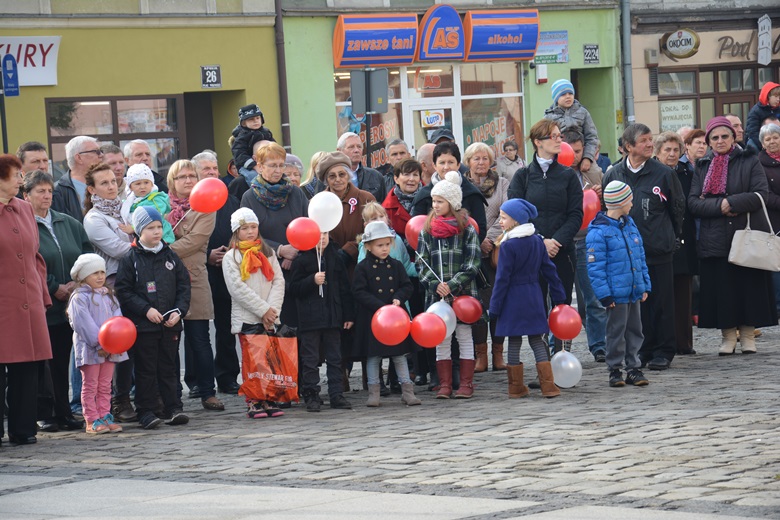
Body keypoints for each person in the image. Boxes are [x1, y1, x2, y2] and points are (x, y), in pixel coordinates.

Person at [688, 116, 777, 355]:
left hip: (745, 235)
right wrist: (720, 207)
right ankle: (728, 337)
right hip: (715, 239)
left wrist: (731, 202)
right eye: (714, 138)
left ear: (733, 137)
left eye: (724, 136)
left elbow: (761, 195)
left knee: (748, 288)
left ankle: (748, 336)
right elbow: (694, 203)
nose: (720, 141)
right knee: (723, 291)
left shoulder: (749, 159)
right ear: (708, 141)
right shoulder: (702, 165)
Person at [603, 123, 684, 371]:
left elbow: (677, 209)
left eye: (651, 140)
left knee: (662, 302)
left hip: (658, 249)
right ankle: (643, 350)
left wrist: (670, 237)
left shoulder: (664, 173)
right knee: (638, 305)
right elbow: (605, 210)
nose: (650, 145)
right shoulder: (613, 173)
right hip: (626, 253)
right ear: (629, 147)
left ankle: (664, 350)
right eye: (645, 141)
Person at [24, 169, 92, 433]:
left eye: (49, 191)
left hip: (70, 305)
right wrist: (54, 286)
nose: (47, 196)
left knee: (63, 360)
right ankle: (45, 413)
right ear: (26, 195)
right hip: (44, 304)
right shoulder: (26, 224)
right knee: (44, 364)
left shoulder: (68, 222)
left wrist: (78, 280)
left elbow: (86, 253)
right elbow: (29, 263)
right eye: (40, 191)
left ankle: (64, 411)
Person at [508, 119, 583, 354]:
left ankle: (563, 358)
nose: (560, 140)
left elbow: (576, 214)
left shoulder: (568, 176)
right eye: (554, 136)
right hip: (532, 253)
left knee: (561, 305)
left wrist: (556, 241)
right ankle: (544, 365)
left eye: (560, 135)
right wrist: (541, 241)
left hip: (563, 251)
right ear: (538, 142)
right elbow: (515, 214)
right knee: (537, 306)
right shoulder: (522, 176)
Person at [115, 206, 191, 428]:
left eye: (159, 227)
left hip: (170, 325)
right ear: (139, 231)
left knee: (169, 367)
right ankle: (146, 410)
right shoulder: (131, 259)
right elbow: (124, 290)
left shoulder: (171, 256)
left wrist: (179, 311)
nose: (157, 232)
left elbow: (184, 286)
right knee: (146, 369)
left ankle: (173, 407)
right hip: (144, 326)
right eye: (150, 228)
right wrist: (145, 310)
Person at [0, 154, 52, 446]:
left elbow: (36, 257)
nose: (22, 180)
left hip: (27, 300)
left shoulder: (23, 208)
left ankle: (23, 428)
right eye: (16, 175)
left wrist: (41, 295)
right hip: (2, 302)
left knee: (27, 367)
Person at [490, 199, 565, 398]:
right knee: (537, 340)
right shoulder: (537, 241)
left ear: (516, 220)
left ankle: (515, 388)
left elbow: (502, 279)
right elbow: (550, 271)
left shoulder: (508, 246)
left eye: (504, 218)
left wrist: (494, 307)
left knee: (514, 341)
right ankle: (548, 386)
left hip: (512, 299)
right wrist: (560, 298)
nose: (500, 222)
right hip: (533, 296)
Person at [416, 171, 481, 399]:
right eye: (434, 201)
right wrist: (435, 284)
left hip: (462, 295)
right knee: (442, 339)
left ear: (452, 203)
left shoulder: (467, 229)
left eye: (440, 201)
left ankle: (466, 383)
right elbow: (421, 263)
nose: (435, 204)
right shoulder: (427, 230)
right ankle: (444, 384)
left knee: (464, 336)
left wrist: (452, 284)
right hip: (438, 298)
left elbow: (472, 262)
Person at [166, 160, 223, 411]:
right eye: (182, 177)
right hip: (166, 279)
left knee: (200, 339)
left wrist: (160, 250)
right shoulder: (160, 204)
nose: (188, 181)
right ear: (172, 181)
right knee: (168, 341)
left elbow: (196, 240)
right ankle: (172, 394)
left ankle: (208, 392)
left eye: (192, 175)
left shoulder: (205, 207)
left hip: (194, 277)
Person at [81, 163, 136, 421]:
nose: (112, 186)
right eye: (104, 183)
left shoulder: (127, 208)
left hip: (139, 280)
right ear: (92, 189)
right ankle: (119, 400)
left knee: (141, 341)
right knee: (119, 343)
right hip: (113, 285)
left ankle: (146, 396)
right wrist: (148, 242)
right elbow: (119, 250)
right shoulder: (94, 218)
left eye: (114, 181)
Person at [221, 208, 286, 418]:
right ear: (236, 231)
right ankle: (254, 400)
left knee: (270, 359)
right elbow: (238, 288)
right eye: (244, 228)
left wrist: (272, 311)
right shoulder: (232, 257)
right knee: (253, 360)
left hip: (270, 317)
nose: (250, 232)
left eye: (253, 227)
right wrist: (263, 309)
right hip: (249, 317)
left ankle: (270, 397)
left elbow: (278, 281)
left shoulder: (268, 253)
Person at [586, 181, 651, 388]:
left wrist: (644, 284)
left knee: (635, 330)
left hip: (633, 289)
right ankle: (614, 369)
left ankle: (633, 367)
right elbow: (595, 268)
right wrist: (604, 294)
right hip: (616, 294)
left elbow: (640, 257)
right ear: (620, 202)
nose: (632, 203)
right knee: (616, 331)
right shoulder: (599, 232)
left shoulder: (630, 225)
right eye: (630, 200)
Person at [240, 142, 308, 326]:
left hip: (299, 268)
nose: (278, 170)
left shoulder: (295, 193)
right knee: (280, 325)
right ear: (260, 167)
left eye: (281, 165)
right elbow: (248, 236)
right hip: (267, 270)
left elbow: (308, 225)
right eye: (272, 165)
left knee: (302, 327)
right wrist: (280, 250)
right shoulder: (249, 197)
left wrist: (294, 251)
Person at [353, 221, 420, 407]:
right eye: (379, 245)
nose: (384, 249)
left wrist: (398, 297)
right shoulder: (363, 267)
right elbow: (358, 291)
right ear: (368, 246)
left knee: (399, 355)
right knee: (373, 356)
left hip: (396, 317)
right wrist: (378, 305)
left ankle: (407, 390)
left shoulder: (396, 265)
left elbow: (407, 285)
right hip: (373, 317)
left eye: (387, 244)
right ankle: (374, 392)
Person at [193, 151, 242, 395]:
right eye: (206, 169)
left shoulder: (230, 200)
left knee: (226, 327)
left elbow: (241, 231)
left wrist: (233, 250)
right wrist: (207, 255)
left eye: (214, 168)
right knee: (197, 329)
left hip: (227, 271)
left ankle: (227, 376)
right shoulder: (190, 203)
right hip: (198, 272)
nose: (212, 173)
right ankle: (197, 381)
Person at [289, 231, 355, 412]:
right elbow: (293, 288)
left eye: (325, 234)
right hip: (310, 318)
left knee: (335, 358)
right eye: (318, 235)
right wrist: (312, 280)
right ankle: (311, 394)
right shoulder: (301, 260)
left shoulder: (335, 257)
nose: (322, 238)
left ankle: (336, 394)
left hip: (333, 317)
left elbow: (344, 288)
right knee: (310, 358)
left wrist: (348, 315)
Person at [67, 253, 128, 434]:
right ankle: (91, 419)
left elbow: (118, 319)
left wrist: (115, 342)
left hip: (110, 349)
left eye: (102, 272)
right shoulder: (79, 297)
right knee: (90, 384)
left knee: (105, 384)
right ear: (83, 276)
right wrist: (100, 343)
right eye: (95, 273)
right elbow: (83, 324)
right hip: (91, 349)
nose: (101, 276)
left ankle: (105, 415)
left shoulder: (109, 295)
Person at [463, 142, 509, 372]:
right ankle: (480, 354)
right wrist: (478, 241)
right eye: (476, 159)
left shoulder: (502, 184)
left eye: (484, 158)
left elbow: (508, 214)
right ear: (468, 162)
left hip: (497, 252)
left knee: (498, 303)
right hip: (472, 252)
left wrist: (489, 239)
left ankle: (498, 353)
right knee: (478, 305)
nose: (481, 163)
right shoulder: (461, 186)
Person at [564, 130, 607, 362]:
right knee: (560, 299)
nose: (574, 156)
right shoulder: (555, 174)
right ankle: (560, 346)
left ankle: (599, 346)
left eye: (578, 151)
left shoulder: (594, 172)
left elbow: (608, 208)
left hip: (588, 241)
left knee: (594, 298)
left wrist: (602, 195)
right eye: (570, 151)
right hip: (563, 242)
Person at [654, 132, 697, 356]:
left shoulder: (688, 172)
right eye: (667, 150)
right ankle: (662, 342)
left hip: (684, 240)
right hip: (659, 242)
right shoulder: (652, 174)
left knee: (682, 296)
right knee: (660, 296)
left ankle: (683, 342)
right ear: (657, 152)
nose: (671, 154)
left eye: (675, 150)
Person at [411, 141, 488, 243]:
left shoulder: (471, 193)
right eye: (442, 163)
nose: (446, 167)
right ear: (434, 165)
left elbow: (480, 229)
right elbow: (417, 228)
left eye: (451, 162)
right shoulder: (424, 195)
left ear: (458, 165)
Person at [544, 79, 599, 173]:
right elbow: (545, 141)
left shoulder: (583, 112)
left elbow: (592, 137)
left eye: (570, 93)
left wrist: (588, 158)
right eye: (563, 94)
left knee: (595, 173)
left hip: (581, 158)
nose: (568, 97)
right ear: (556, 97)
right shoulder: (549, 117)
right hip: (559, 158)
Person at [120, 163, 175, 244]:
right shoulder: (130, 201)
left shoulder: (157, 199)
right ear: (130, 187)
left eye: (146, 182)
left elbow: (152, 216)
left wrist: (133, 228)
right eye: (138, 184)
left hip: (162, 237)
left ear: (152, 184)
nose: (142, 187)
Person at [53, 136, 104, 222]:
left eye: (101, 151)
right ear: (79, 158)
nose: (101, 155)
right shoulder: (58, 191)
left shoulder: (106, 183)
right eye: (97, 152)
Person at [759, 123, 780, 315]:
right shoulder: (759, 164)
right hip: (773, 221)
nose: (772, 142)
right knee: (776, 265)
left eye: (776, 137)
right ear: (763, 144)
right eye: (768, 139)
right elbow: (764, 194)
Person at [231, 104, 276, 184]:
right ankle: (258, 192)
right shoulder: (242, 136)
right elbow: (239, 154)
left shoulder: (266, 133)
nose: (255, 121)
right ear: (244, 123)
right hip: (247, 166)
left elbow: (274, 146)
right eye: (251, 119)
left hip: (266, 163)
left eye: (258, 118)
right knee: (254, 176)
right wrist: (254, 166)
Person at [337, 132, 387, 202]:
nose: (356, 150)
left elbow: (383, 208)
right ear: (339, 151)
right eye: (351, 147)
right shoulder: (330, 177)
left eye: (359, 147)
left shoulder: (375, 176)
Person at [382, 158, 422, 239]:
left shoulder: (431, 198)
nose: (411, 179)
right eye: (406, 174)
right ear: (396, 179)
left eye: (415, 175)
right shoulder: (387, 208)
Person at [745, 82, 780, 151]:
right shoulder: (755, 111)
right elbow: (752, 131)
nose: (778, 99)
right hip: (760, 141)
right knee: (751, 144)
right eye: (776, 96)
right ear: (767, 96)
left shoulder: (778, 109)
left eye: (779, 97)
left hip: (777, 138)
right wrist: (764, 145)